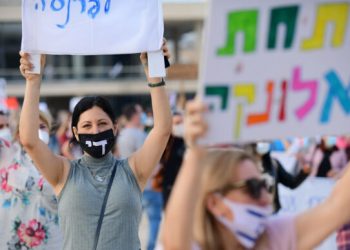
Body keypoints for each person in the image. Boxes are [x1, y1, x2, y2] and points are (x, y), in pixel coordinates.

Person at [18, 42, 172, 250]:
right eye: (87, 126)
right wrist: (33, 81)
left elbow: (162, 130)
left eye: (102, 124)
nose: (95, 131)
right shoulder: (63, 172)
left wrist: (154, 74)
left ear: (115, 127)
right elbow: (29, 140)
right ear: (75, 133)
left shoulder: (134, 170)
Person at [162, 100, 350, 250]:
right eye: (252, 188)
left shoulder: (274, 238)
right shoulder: (194, 244)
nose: (266, 197)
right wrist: (195, 153)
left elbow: (338, 206)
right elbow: (175, 243)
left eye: (264, 186)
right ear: (214, 202)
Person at [0, 110, 63, 250]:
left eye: (41, 127)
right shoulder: (7, 157)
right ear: (18, 134)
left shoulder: (60, 165)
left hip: (52, 244)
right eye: (31, 127)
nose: (37, 132)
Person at [251, 141, 309, 212]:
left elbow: (291, 183)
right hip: (252, 212)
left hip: (271, 212)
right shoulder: (245, 165)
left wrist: (304, 173)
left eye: (264, 141)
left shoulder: (274, 164)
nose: (262, 143)